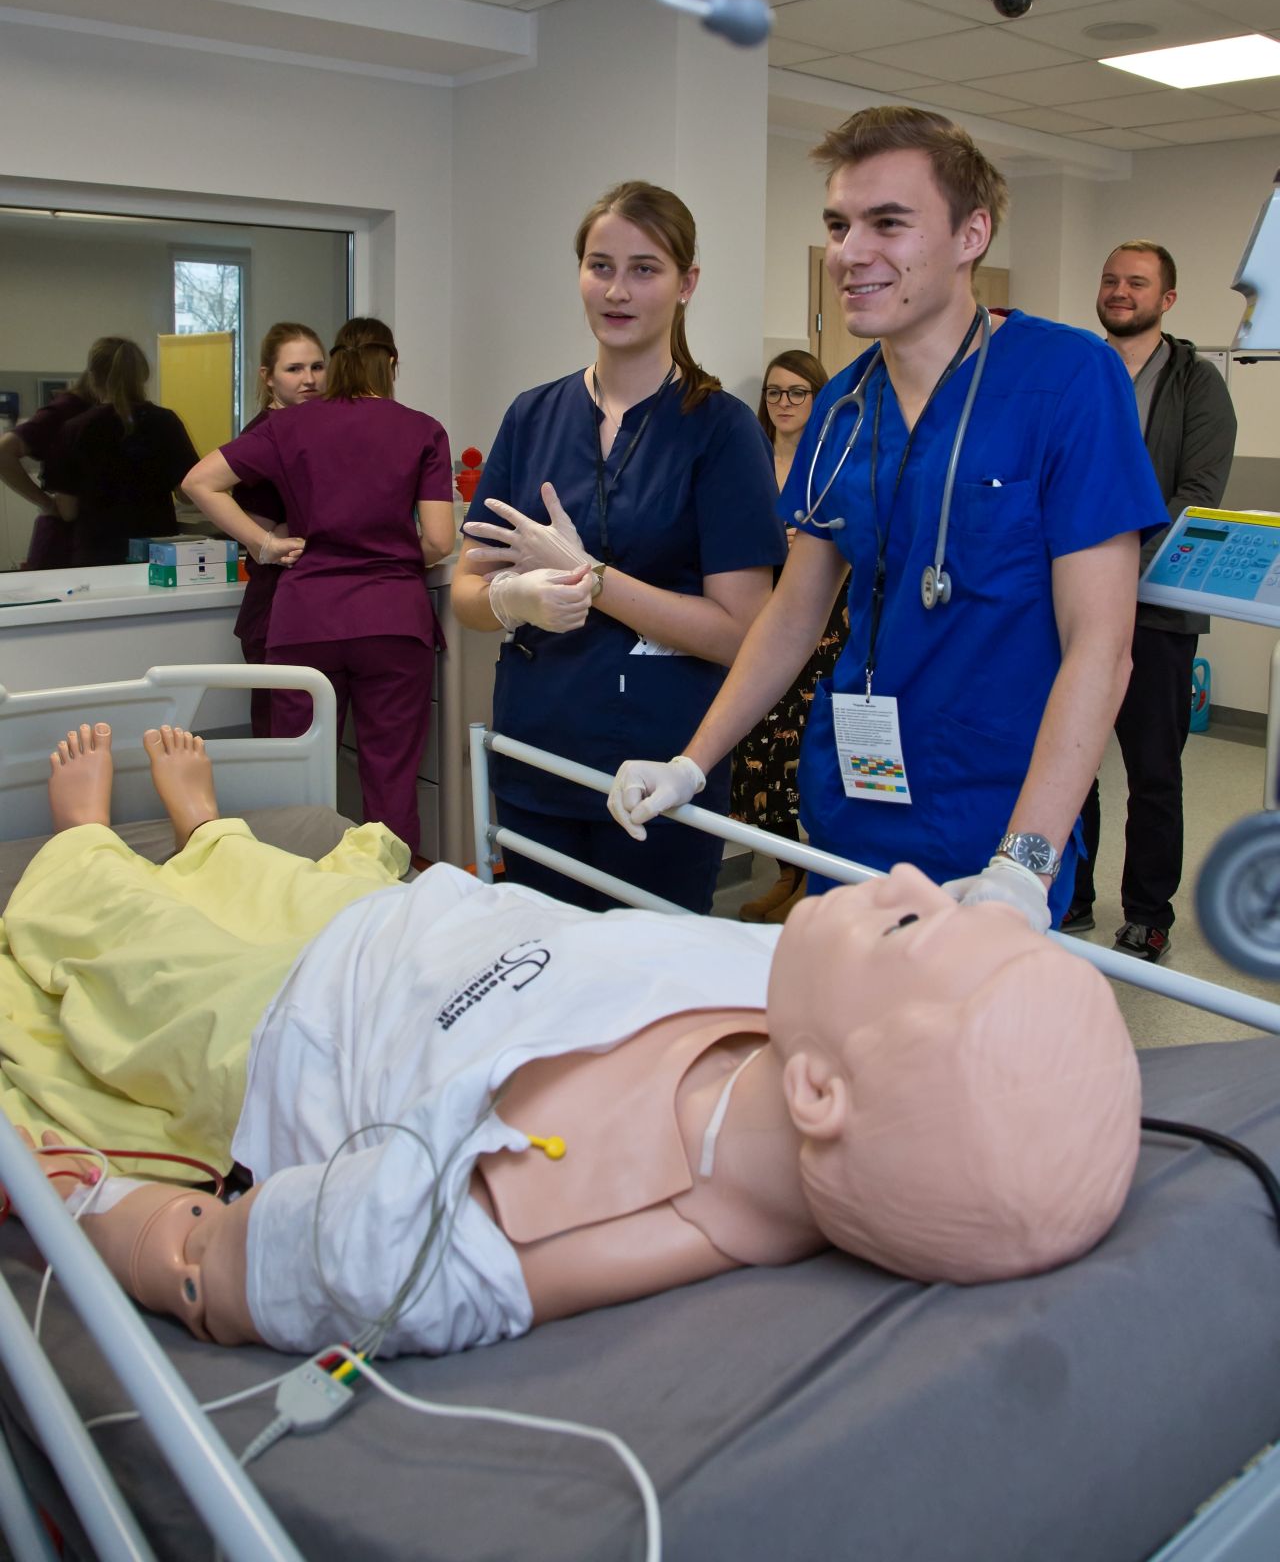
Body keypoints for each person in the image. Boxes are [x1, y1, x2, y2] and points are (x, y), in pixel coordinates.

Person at [1, 722, 1140, 1357]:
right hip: (411, 928)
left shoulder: (526, 1229)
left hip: (286, 1031)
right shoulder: (813, 1008)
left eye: (910, 927)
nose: (909, 881)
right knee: (269, 875)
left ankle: (85, 843)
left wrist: (92, 1202)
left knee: (122, 941)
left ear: (819, 1095)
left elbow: (214, 1266)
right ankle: (209, 836)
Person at [607, 107, 1169, 931]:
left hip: (995, 822)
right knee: (840, 1011)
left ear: (972, 234)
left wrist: (1026, 861)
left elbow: (1102, 645)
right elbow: (793, 617)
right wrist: (692, 762)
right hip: (855, 802)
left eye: (889, 223)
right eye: (839, 225)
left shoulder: (1069, 380)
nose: (850, 251)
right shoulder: (843, 405)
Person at [453, 180, 785, 914]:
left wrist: (592, 578)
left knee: (646, 975)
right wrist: (514, 600)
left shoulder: (721, 430)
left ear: (686, 283)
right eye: (600, 266)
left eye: (644, 269)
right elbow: (466, 598)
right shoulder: (532, 416)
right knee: (542, 962)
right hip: (537, 754)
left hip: (658, 771)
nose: (617, 290)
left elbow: (742, 633)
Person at [182, 317, 454, 858]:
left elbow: (198, 482)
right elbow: (441, 540)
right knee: (390, 774)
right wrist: (391, 555)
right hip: (392, 620)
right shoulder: (423, 430)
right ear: (391, 364)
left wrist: (265, 545)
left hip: (306, 620)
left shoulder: (289, 426)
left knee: (297, 775)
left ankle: (297, 887)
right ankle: (391, 891)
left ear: (336, 364)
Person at [1063, 242, 1237, 962]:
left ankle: (1147, 912)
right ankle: (1069, 891)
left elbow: (1197, 496)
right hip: (1068, 606)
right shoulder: (1076, 369)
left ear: (1167, 299)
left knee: (1153, 772)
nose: (1119, 291)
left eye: (1136, 282)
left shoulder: (1197, 383)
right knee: (1068, 754)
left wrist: (1110, 568)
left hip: (1156, 610)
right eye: (1110, 279)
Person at [731, 350, 847, 922]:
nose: (784, 403)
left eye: (798, 392)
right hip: (762, 621)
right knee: (760, 755)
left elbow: (852, 541)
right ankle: (788, 873)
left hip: (824, 625)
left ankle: (816, 877)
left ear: (818, 397)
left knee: (810, 753)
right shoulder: (750, 461)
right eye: (774, 392)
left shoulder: (832, 459)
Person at [229, 322, 327, 739]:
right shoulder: (264, 435)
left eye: (317, 367)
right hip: (275, 608)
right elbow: (256, 532)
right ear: (268, 376)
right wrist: (271, 541)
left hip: (313, 608)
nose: (309, 379)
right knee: (279, 742)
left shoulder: (317, 427)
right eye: (294, 369)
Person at [36, 338, 199, 566]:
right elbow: (188, 493)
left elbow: (68, 511)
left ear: (93, 377)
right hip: (156, 555)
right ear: (143, 375)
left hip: (96, 555)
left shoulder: (75, 429)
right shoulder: (166, 422)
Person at [0, 356, 97, 568]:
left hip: (91, 535)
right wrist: (46, 503)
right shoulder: (66, 411)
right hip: (65, 536)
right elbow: (4, 453)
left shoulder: (106, 413)